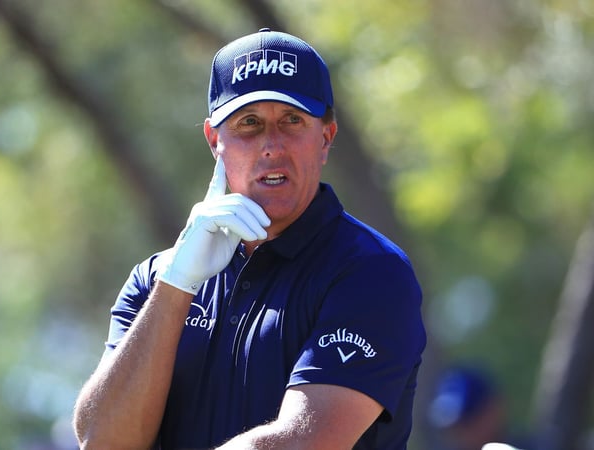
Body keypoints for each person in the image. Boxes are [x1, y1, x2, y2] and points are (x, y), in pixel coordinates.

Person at [72, 28, 426, 449]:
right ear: (213, 141)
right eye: (249, 124)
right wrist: (176, 284)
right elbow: (101, 441)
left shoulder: (370, 271)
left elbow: (303, 442)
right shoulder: (156, 280)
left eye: (292, 120)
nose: (272, 146)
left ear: (326, 138)